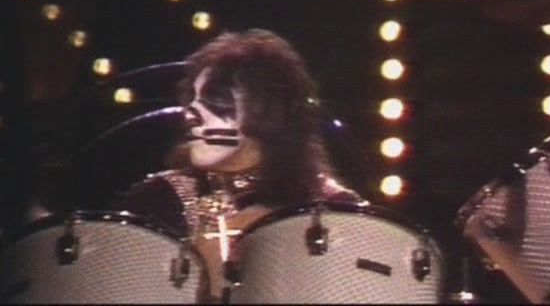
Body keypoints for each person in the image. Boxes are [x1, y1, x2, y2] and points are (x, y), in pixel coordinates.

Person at [113, 28, 363, 302]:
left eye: (215, 100)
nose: (190, 115)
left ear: (266, 109)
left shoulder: (335, 209)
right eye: (192, 100)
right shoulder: (156, 200)